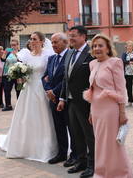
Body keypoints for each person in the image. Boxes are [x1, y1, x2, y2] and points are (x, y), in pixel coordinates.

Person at [0, 31, 58, 162]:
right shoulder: (25, 54)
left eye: (35, 39)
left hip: (42, 88)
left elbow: (51, 72)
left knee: (43, 116)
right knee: (26, 116)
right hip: (28, 89)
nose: (32, 41)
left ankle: (45, 146)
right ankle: (24, 145)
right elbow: (23, 71)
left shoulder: (48, 55)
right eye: (31, 39)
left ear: (42, 41)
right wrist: (19, 75)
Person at [83, 34, 133, 178]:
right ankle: (101, 172)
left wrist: (122, 113)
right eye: (94, 46)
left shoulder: (115, 62)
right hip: (96, 109)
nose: (97, 48)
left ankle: (121, 174)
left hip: (110, 109)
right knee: (99, 142)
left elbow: (121, 88)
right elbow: (92, 89)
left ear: (107, 48)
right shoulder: (92, 64)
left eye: (100, 45)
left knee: (112, 144)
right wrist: (91, 112)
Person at [57, 25, 95, 178]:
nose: (70, 38)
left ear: (83, 36)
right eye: (69, 35)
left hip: (86, 103)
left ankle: (93, 164)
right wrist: (62, 98)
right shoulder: (70, 53)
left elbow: (94, 81)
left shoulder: (91, 54)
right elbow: (66, 78)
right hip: (71, 102)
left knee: (89, 135)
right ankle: (81, 161)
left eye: (73, 35)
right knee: (76, 134)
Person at [42, 32, 76, 165]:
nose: (53, 45)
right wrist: (48, 90)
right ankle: (62, 153)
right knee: (59, 127)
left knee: (72, 129)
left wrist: (54, 91)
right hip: (53, 100)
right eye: (52, 42)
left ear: (65, 42)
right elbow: (44, 77)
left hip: (66, 99)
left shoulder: (71, 56)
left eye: (56, 42)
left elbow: (67, 79)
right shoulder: (51, 58)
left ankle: (75, 155)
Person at [2, 39, 21, 111]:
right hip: (8, 74)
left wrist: (16, 54)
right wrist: (5, 53)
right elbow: (3, 59)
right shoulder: (8, 53)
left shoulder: (20, 53)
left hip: (18, 74)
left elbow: (22, 61)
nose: (13, 46)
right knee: (7, 90)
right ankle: (8, 105)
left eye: (14, 45)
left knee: (18, 90)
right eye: (12, 45)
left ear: (17, 45)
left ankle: (20, 105)